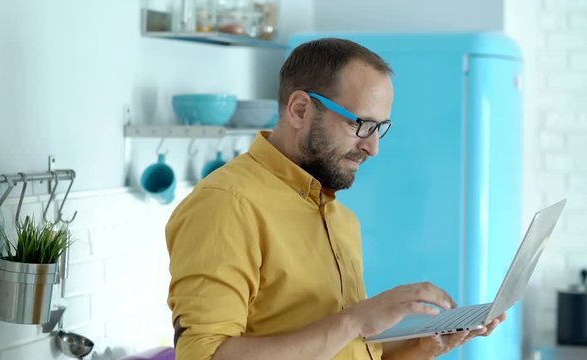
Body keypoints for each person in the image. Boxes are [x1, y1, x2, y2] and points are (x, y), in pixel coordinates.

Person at [165, 38, 505, 360]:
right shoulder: (226, 204)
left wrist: (420, 346)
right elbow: (206, 355)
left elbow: (340, 347)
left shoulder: (340, 219)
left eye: (380, 128)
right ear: (300, 109)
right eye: (361, 125)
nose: (373, 147)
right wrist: (356, 320)